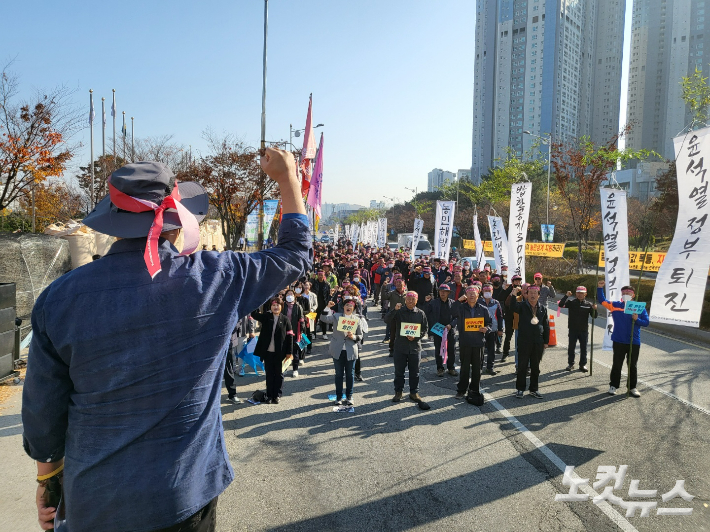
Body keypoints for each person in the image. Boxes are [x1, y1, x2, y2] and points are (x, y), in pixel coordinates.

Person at [22, 148, 310, 532]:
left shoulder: (58, 298)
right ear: (177, 220)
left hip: (94, 498)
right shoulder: (217, 277)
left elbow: (44, 413)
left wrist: (48, 482)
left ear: (111, 220)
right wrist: (288, 177)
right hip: (183, 496)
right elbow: (293, 254)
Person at [597, 280, 649, 397]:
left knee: (632, 365)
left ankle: (632, 387)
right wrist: (600, 288)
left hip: (633, 341)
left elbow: (646, 322)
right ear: (621, 294)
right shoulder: (615, 305)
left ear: (633, 295)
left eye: (629, 292)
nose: (626, 294)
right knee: (617, 364)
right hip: (619, 340)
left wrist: (637, 319)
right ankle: (613, 385)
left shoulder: (639, 307)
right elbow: (603, 301)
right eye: (624, 292)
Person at [385, 291, 430, 409]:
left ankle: (414, 392)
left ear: (416, 300)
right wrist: (394, 309)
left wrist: (417, 336)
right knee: (399, 372)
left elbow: (425, 329)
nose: (410, 301)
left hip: (415, 348)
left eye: (413, 299)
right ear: (405, 300)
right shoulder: (399, 312)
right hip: (400, 347)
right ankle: (398, 392)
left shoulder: (420, 313)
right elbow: (387, 320)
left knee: (415, 372)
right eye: (408, 299)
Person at [321, 299, 365, 405]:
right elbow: (323, 318)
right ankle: (339, 397)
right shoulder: (337, 317)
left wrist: (353, 336)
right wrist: (327, 307)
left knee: (350, 374)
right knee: (339, 374)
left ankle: (349, 396)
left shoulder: (357, 319)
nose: (348, 307)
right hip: (338, 349)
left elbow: (360, 336)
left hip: (351, 349)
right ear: (343, 307)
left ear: (353, 308)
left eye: (350, 305)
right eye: (346, 305)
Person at [252, 298, 294, 403]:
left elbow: (290, 337)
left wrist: (289, 352)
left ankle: (277, 395)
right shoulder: (266, 317)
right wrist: (258, 300)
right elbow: (254, 314)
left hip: (281, 353)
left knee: (279, 374)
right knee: (269, 374)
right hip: (268, 353)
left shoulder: (285, 319)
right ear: (271, 307)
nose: (276, 307)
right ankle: (270, 395)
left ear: (281, 307)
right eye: (274, 305)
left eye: (278, 305)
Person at [455, 286, 491, 402]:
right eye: (469, 293)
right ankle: (461, 390)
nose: (471, 295)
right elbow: (452, 311)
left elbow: (490, 323)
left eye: (473, 293)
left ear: (477, 295)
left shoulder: (483, 309)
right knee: (464, 368)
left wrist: (487, 328)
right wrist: (459, 300)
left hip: (478, 343)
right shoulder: (461, 308)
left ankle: (474, 389)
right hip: (465, 342)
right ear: (466, 295)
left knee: (477, 368)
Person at [513, 285, 550, 399]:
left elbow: (546, 325)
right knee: (522, 366)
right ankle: (520, 389)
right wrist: (513, 294)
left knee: (535, 367)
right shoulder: (522, 306)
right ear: (526, 294)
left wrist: (546, 341)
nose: (533, 295)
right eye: (531, 293)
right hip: (524, 341)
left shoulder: (543, 308)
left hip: (538, 341)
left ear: (539, 296)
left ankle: (534, 389)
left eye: (535, 293)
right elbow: (512, 307)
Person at [558, 286, 598, 372]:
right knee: (571, 347)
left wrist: (595, 309)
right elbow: (560, 304)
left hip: (583, 330)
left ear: (585, 294)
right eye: (578, 293)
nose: (580, 295)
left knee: (584, 348)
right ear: (576, 293)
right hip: (573, 329)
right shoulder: (571, 302)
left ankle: (582, 365)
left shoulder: (588, 305)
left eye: (582, 293)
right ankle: (571, 364)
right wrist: (566, 296)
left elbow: (594, 316)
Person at [425, 284, 458, 377]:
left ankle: (451, 368)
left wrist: (451, 325)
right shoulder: (433, 302)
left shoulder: (453, 303)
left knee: (452, 350)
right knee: (438, 350)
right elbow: (426, 314)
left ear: (448, 293)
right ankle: (440, 368)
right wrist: (427, 303)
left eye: (445, 291)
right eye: (441, 291)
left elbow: (457, 317)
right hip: (438, 330)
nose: (442, 293)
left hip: (450, 330)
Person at [225, 315, 255, 403]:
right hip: (213, 343)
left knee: (228, 369)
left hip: (230, 340)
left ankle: (232, 394)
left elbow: (246, 319)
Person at [481, 283, 504, 375]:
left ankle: (490, 367)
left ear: (492, 292)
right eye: (485, 291)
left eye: (489, 291)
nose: (487, 293)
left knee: (491, 350)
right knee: (480, 349)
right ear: (482, 292)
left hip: (492, 329)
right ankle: (479, 366)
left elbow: (500, 316)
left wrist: (500, 329)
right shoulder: (478, 302)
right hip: (480, 330)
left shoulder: (496, 303)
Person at [283, 288, 306, 376]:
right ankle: (284, 368)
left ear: (294, 296)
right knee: (284, 351)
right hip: (284, 332)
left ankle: (295, 369)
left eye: (291, 294)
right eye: (288, 294)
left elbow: (302, 319)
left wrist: (302, 331)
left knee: (295, 351)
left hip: (296, 332)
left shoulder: (298, 306)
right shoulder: (283, 305)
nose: (290, 296)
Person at [502, 274, 523, 361]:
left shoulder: (523, 289)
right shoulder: (509, 289)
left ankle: (520, 353)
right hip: (509, 316)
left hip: (519, 317)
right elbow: (505, 301)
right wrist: (511, 292)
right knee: (508, 335)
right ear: (512, 282)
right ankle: (505, 353)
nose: (517, 282)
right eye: (516, 280)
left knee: (521, 337)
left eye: (519, 280)